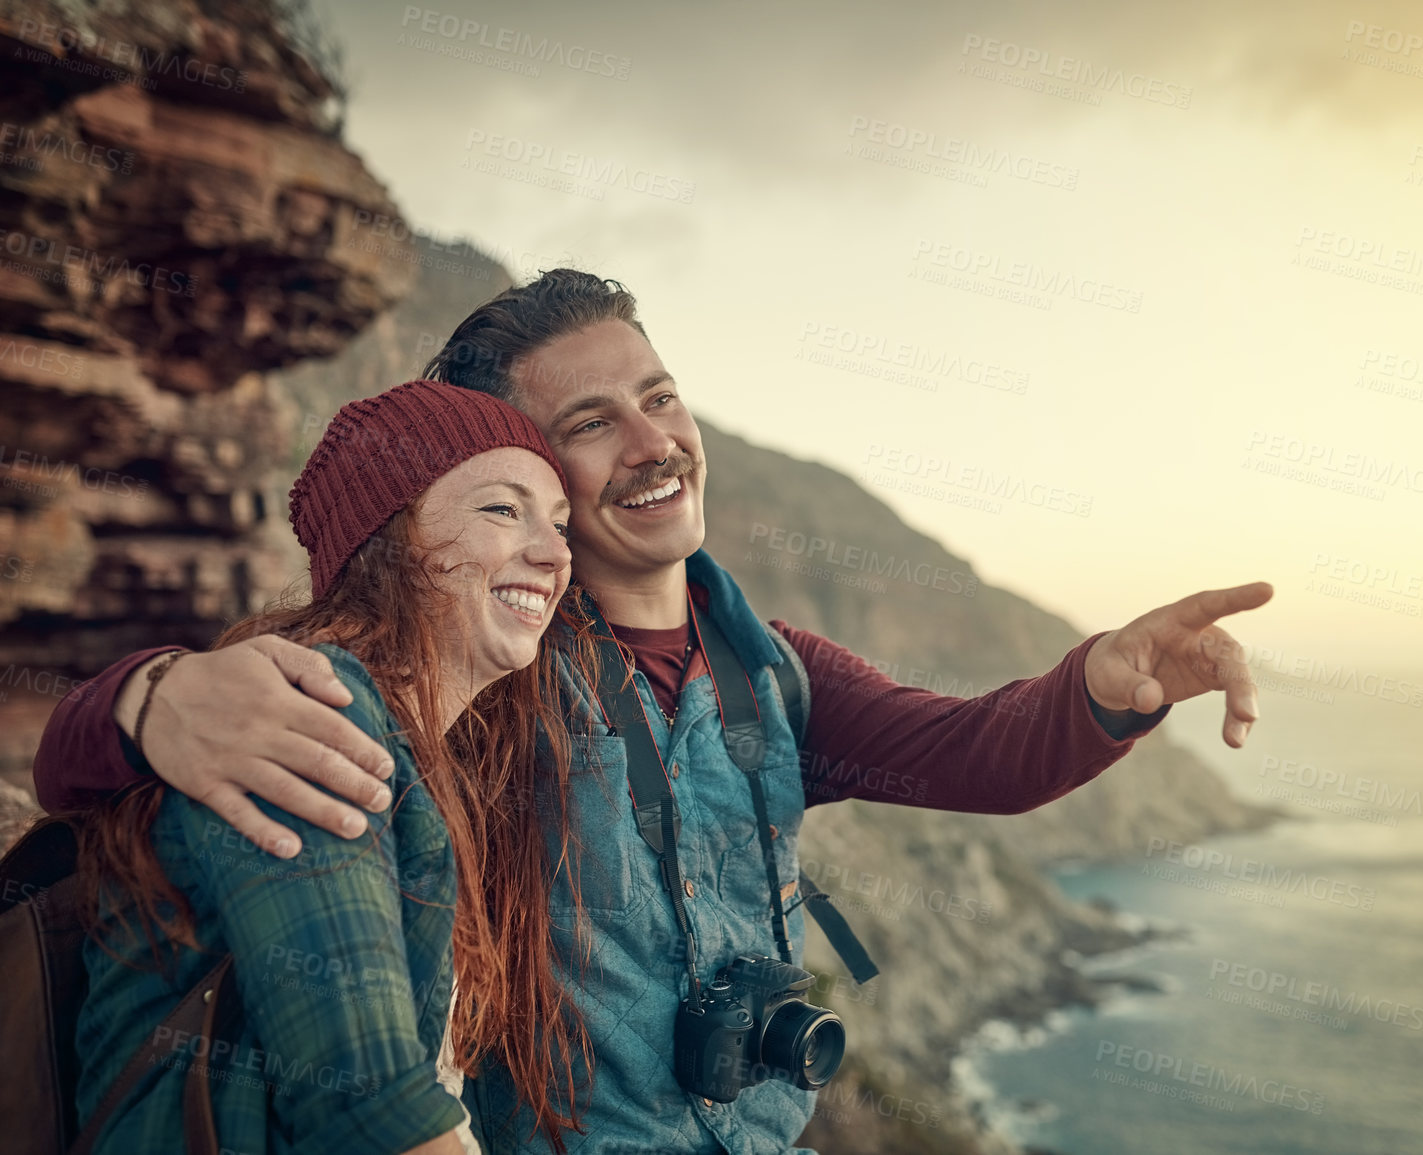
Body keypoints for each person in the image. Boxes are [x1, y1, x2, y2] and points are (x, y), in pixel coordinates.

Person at [37, 270, 1271, 1154]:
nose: (652, 440)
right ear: (517, 470)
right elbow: (252, 710)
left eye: (660, 395)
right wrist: (148, 697)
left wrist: (1105, 681)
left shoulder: (767, 669)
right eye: (590, 423)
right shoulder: (483, 667)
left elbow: (971, 753)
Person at [62, 380, 589, 1153]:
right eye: (502, 509)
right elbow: (368, 1110)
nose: (553, 552)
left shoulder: (424, 751)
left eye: (559, 521)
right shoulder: (312, 709)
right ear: (388, 539)